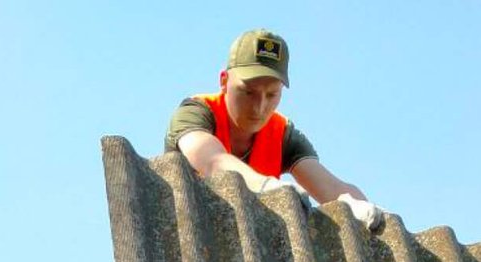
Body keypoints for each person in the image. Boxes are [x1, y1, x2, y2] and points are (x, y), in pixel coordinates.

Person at [165, 29, 386, 232]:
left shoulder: (282, 133)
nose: (259, 107)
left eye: (271, 95)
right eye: (248, 92)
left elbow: (329, 186)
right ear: (224, 81)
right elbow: (211, 160)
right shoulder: (195, 112)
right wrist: (265, 186)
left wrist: (357, 206)